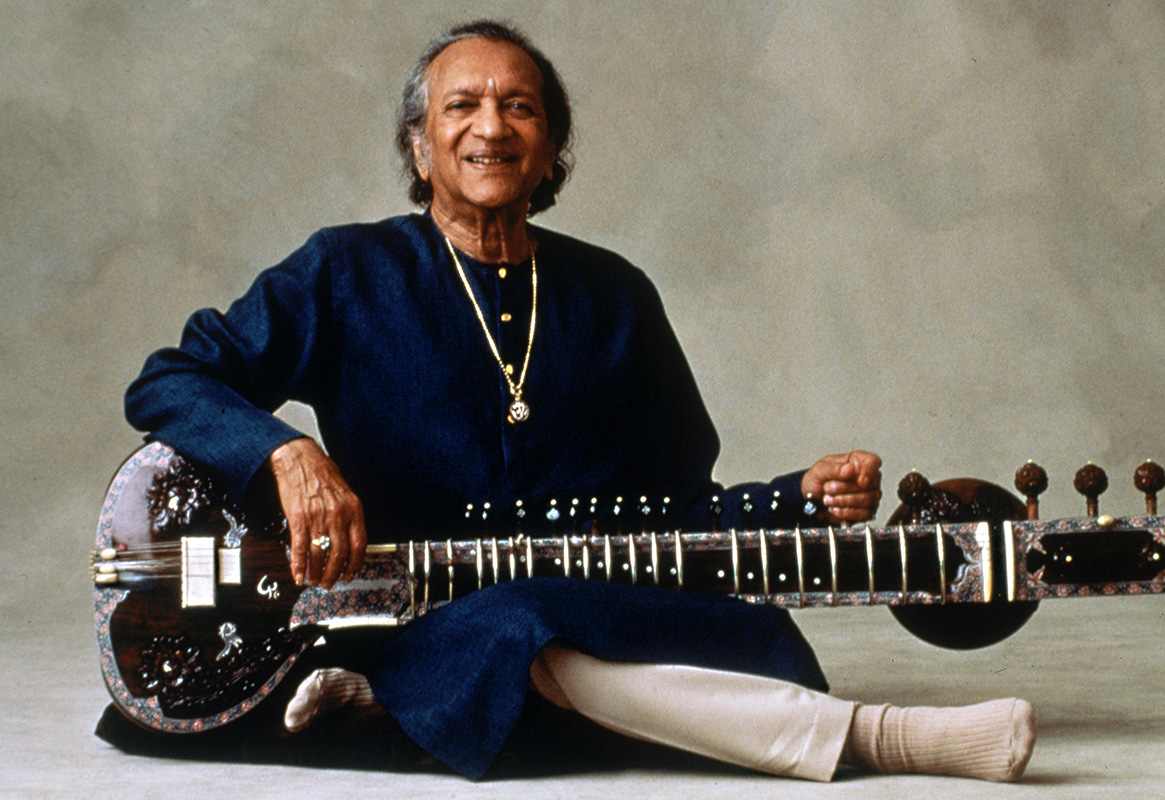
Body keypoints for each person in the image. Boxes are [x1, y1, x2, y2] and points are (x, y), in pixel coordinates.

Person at [124, 19, 1035, 783]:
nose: (492, 127)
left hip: (594, 602)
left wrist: (799, 497)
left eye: (520, 107)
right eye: (462, 106)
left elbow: (678, 514)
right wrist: (286, 454)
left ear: (552, 149)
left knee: (731, 625)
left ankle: (400, 711)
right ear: (420, 145)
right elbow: (168, 379)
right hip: (413, 622)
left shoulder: (615, 295)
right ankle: (885, 739)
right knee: (521, 623)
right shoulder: (346, 272)